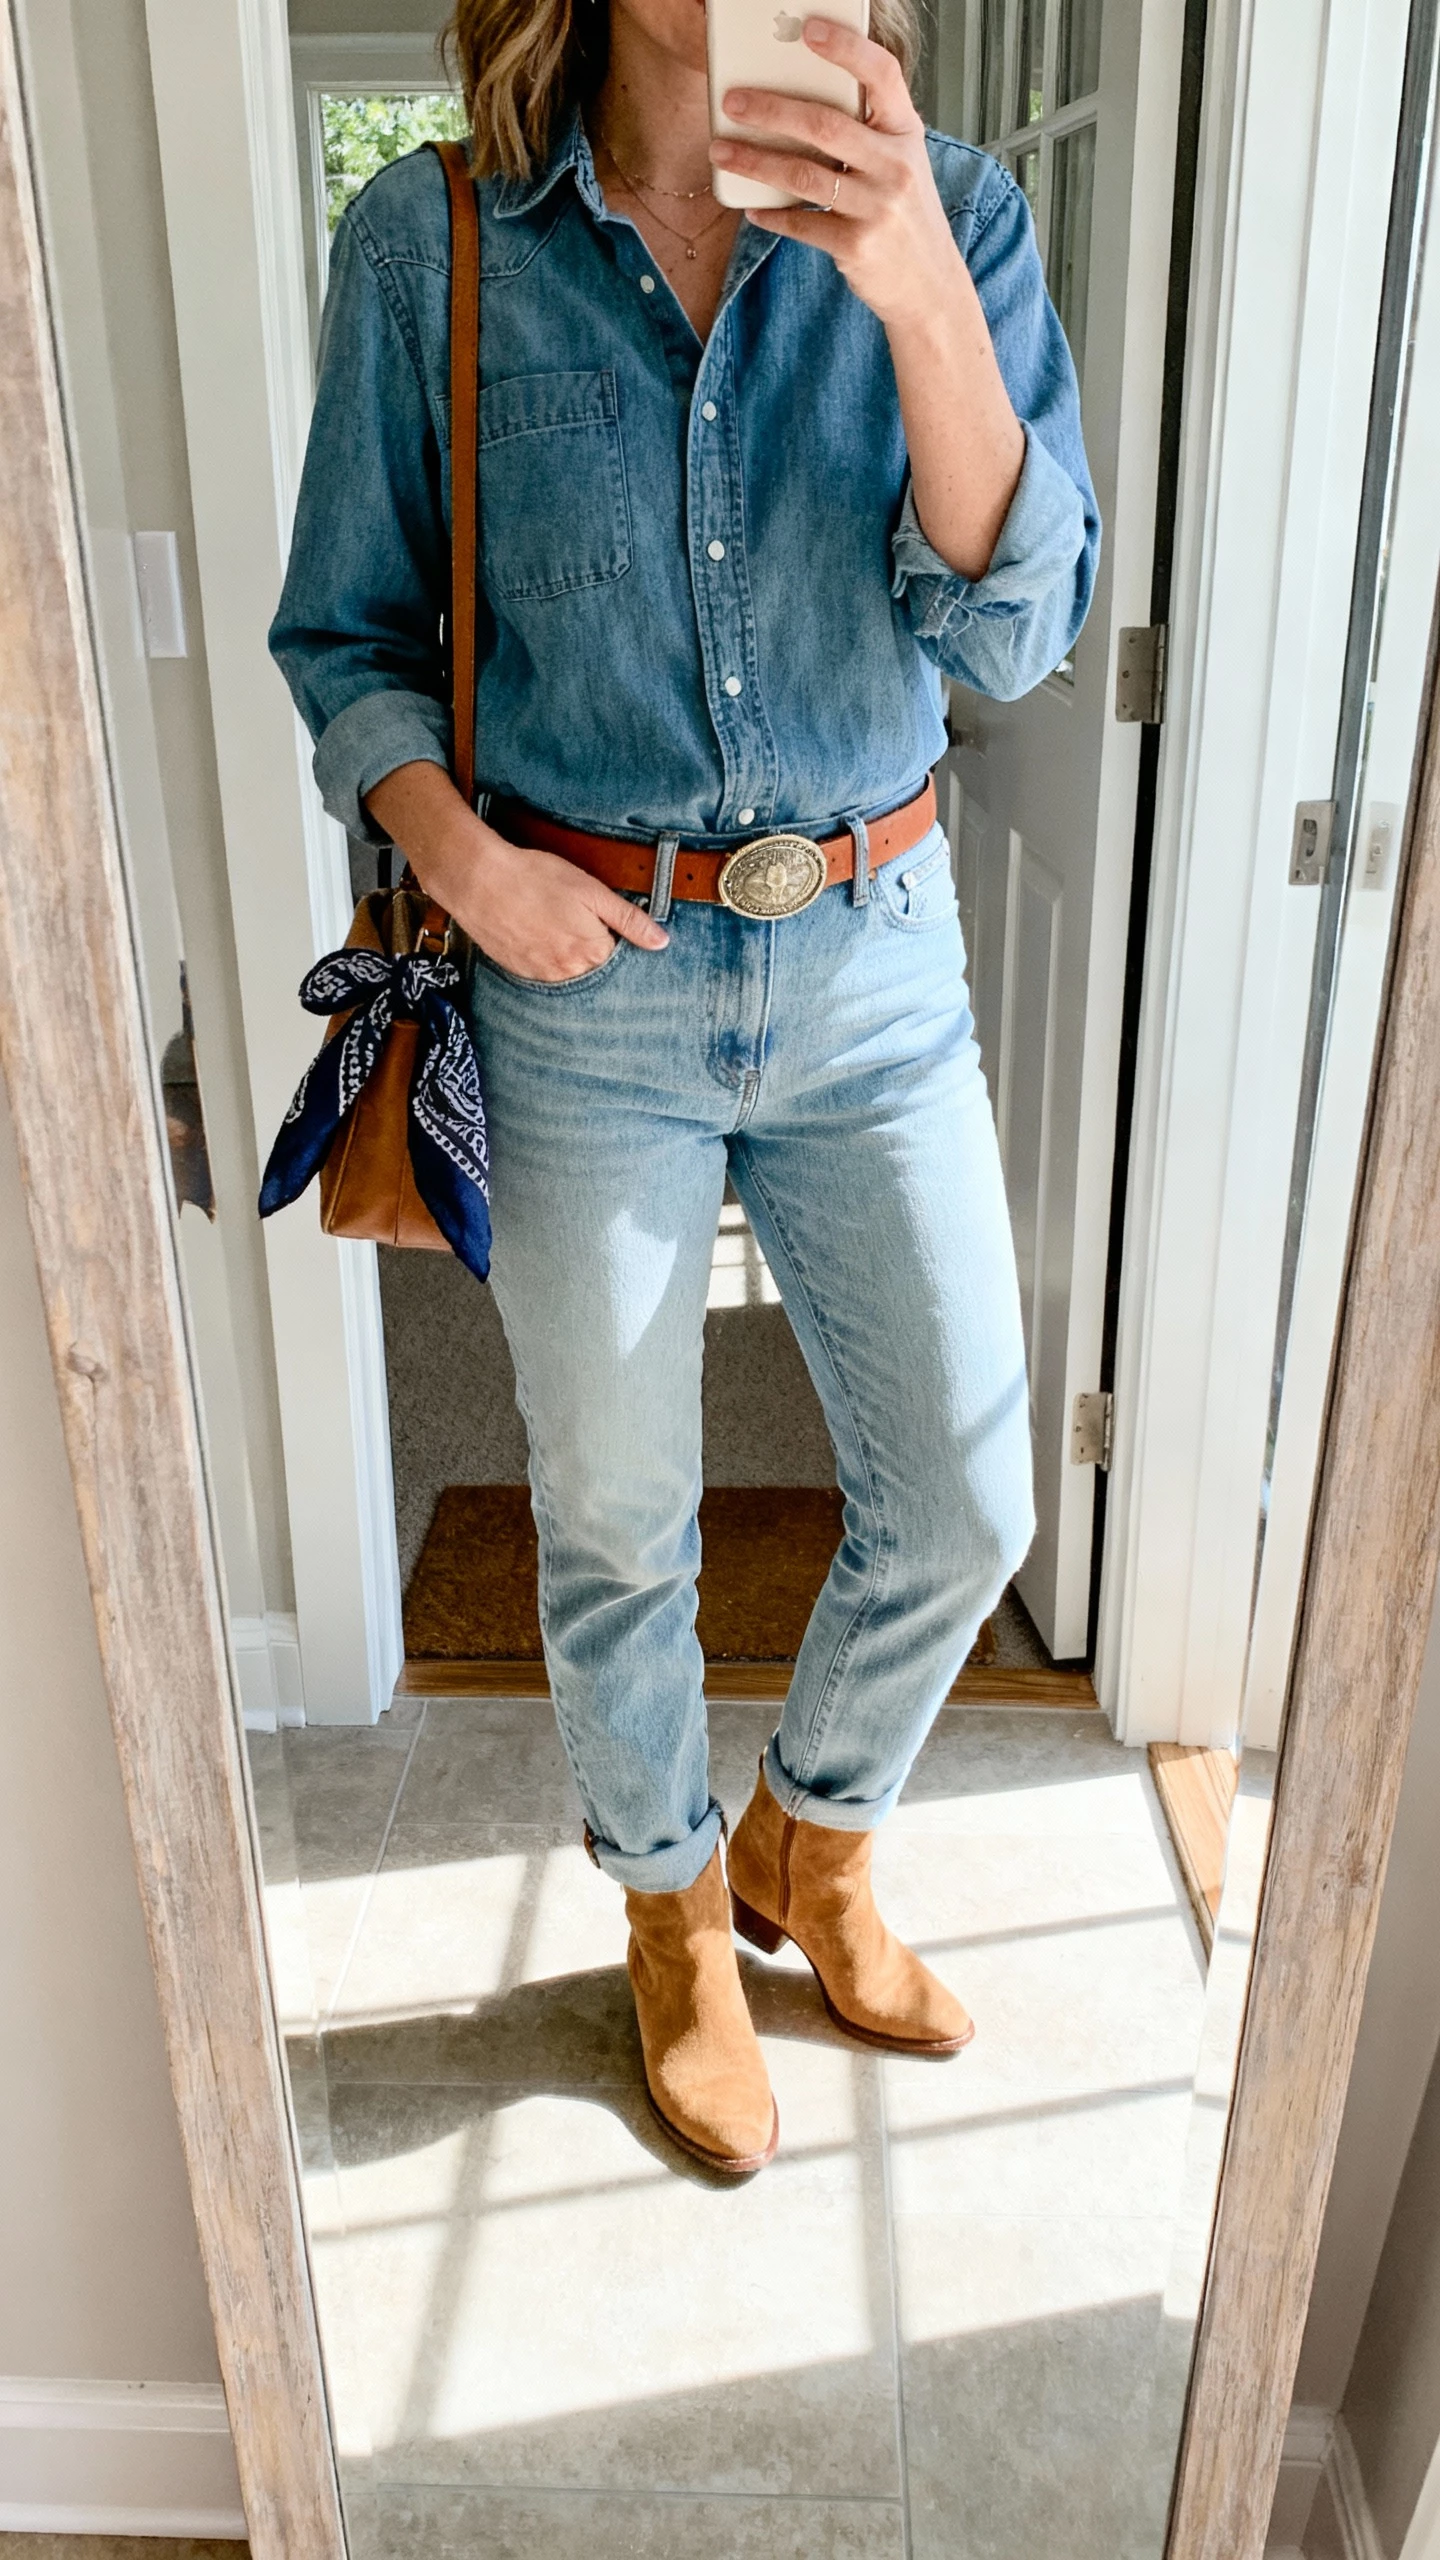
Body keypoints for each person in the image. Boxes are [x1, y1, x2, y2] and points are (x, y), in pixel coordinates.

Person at [271, 0, 1098, 2176]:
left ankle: (808, 1842)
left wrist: (914, 285)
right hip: (582, 988)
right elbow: (346, 636)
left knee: (969, 1499)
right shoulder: (433, 242)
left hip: (876, 959)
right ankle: (667, 1915)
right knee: (621, 1518)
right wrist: (468, 867)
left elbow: (1015, 631)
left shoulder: (958, 215)